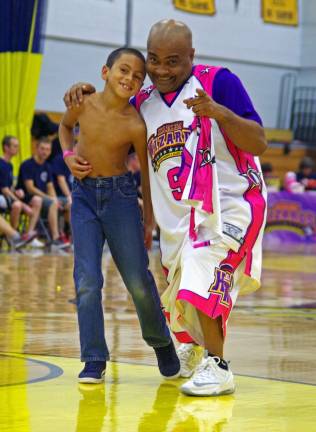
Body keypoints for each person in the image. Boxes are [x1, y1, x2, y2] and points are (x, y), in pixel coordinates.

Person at [64, 20, 267, 396]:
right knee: (175, 293)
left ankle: (219, 366)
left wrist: (218, 112)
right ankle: (191, 347)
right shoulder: (144, 100)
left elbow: (258, 142)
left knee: (200, 270)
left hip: (230, 204)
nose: (160, 70)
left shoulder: (220, 81)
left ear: (192, 56)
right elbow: (105, 113)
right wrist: (84, 94)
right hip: (179, 216)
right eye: (153, 60)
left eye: (173, 61)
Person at [59, 47, 180, 384]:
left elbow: (145, 174)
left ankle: (161, 342)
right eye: (123, 70)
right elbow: (64, 129)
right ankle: (94, 358)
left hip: (121, 199)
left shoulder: (135, 125)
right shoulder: (82, 103)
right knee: (86, 281)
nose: (130, 79)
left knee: (138, 282)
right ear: (105, 72)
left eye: (138, 76)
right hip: (83, 198)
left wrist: (149, 220)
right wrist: (68, 155)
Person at [16, 137, 68, 249]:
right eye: (42, 149)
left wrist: (54, 198)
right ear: (36, 148)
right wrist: (51, 199)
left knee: (68, 203)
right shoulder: (27, 165)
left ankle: (72, 237)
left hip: (43, 199)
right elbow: (30, 188)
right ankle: (55, 238)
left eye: (47, 149)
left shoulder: (47, 166)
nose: (45, 152)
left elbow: (50, 186)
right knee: (50, 202)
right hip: (27, 198)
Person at [0, 135, 43, 246]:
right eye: (15, 146)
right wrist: (24, 205)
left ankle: (17, 237)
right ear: (6, 147)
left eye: (18, 146)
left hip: (5, 197)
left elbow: (8, 187)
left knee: (26, 203)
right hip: (2, 197)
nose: (17, 148)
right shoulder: (1, 164)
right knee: (18, 205)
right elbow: (4, 190)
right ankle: (14, 236)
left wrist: (15, 191)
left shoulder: (9, 165)